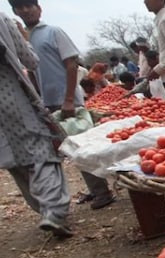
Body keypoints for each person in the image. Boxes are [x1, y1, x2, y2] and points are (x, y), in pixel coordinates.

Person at [10, 0, 115, 209]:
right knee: (66, 148)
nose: (25, 10)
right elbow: (31, 71)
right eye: (19, 7)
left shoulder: (53, 31)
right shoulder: (23, 39)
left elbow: (71, 64)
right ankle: (94, 190)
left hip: (67, 101)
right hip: (46, 103)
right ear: (14, 11)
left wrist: (68, 99)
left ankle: (102, 192)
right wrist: (36, 97)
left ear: (39, 8)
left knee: (80, 146)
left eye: (29, 5)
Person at [0, 11, 72, 237]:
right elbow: (30, 60)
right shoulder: (2, 19)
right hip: (12, 100)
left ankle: (43, 209)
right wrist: (22, 36)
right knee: (43, 153)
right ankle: (53, 211)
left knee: (13, 160)